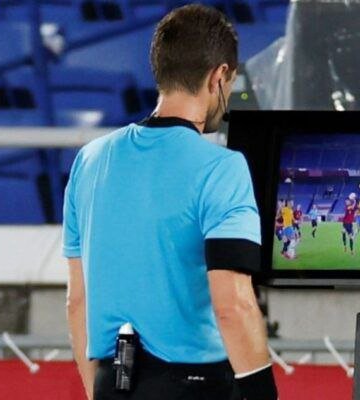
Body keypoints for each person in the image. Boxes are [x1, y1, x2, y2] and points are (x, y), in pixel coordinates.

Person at [63, 5, 277, 400]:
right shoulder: (222, 168)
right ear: (219, 76)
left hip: (113, 381)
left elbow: (78, 302)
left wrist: (98, 391)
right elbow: (233, 305)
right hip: (196, 385)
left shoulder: (90, 161)